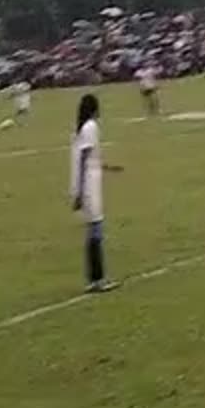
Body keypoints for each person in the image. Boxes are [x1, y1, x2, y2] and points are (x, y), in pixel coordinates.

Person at [70, 94, 124, 293]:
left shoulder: (83, 129)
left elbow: (91, 158)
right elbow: (84, 159)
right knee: (96, 231)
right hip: (89, 186)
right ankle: (97, 279)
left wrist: (109, 167)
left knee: (94, 232)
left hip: (89, 183)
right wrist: (80, 191)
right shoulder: (91, 127)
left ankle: (94, 279)